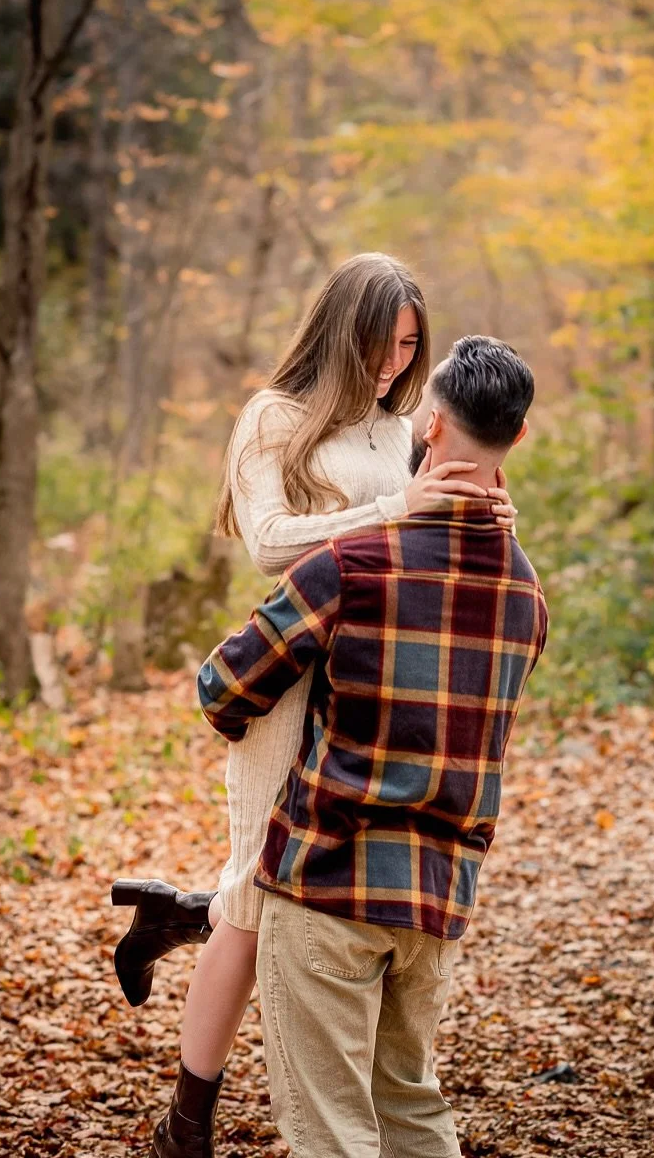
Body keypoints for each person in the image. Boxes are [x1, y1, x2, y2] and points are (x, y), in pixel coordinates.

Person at [109, 255, 517, 1156]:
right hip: (289, 684)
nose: (393, 362)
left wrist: (482, 514)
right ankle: (188, 1118)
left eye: (410, 346)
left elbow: (433, 518)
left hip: (367, 686)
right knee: (262, 894)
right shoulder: (273, 419)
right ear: (341, 332)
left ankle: (178, 921)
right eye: (381, 343)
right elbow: (267, 545)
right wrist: (396, 510)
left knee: (269, 896)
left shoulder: (397, 429)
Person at [196, 335, 548, 1158]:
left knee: (333, 1134)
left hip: (327, 880)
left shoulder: (353, 563)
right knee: (411, 1110)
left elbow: (223, 688)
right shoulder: (526, 594)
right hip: (438, 896)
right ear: (517, 440)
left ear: (428, 428)